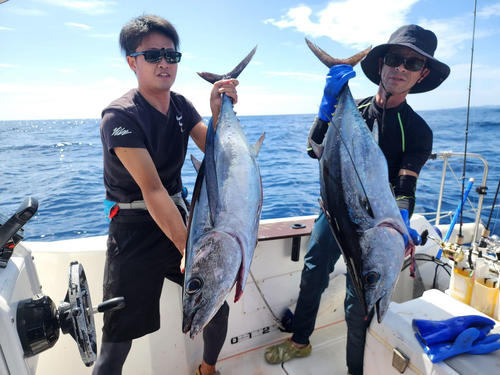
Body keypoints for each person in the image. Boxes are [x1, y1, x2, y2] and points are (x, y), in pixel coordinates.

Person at [264, 25, 450, 375]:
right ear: (381, 63)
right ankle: (299, 341)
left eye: (412, 64)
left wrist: (402, 219)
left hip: (375, 223)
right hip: (333, 214)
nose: (401, 68)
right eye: (395, 59)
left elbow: (405, 185)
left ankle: (354, 368)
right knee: (313, 275)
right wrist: (326, 108)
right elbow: (313, 149)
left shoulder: (418, 130)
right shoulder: (356, 109)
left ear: (422, 74)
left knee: (359, 298)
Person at [94, 15, 238, 375]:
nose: (164, 63)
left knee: (216, 308)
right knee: (116, 342)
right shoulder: (119, 115)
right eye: (153, 55)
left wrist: (219, 111)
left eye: (171, 56)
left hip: (180, 217)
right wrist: (190, 249)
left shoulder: (181, 106)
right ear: (132, 62)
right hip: (133, 231)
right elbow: (153, 188)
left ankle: (207, 370)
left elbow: (216, 150)